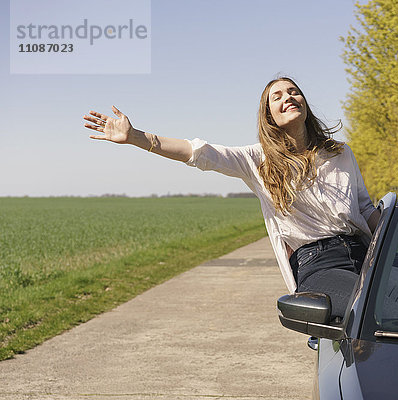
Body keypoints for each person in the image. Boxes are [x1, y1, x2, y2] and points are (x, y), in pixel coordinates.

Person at [83, 77, 380, 318]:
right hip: (318, 264)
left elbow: (365, 207)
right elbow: (200, 153)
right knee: (371, 308)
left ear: (304, 103)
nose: (288, 97)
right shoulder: (256, 160)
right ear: (269, 117)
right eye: (276, 96)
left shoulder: (339, 153)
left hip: (365, 253)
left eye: (293, 92)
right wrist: (136, 137)